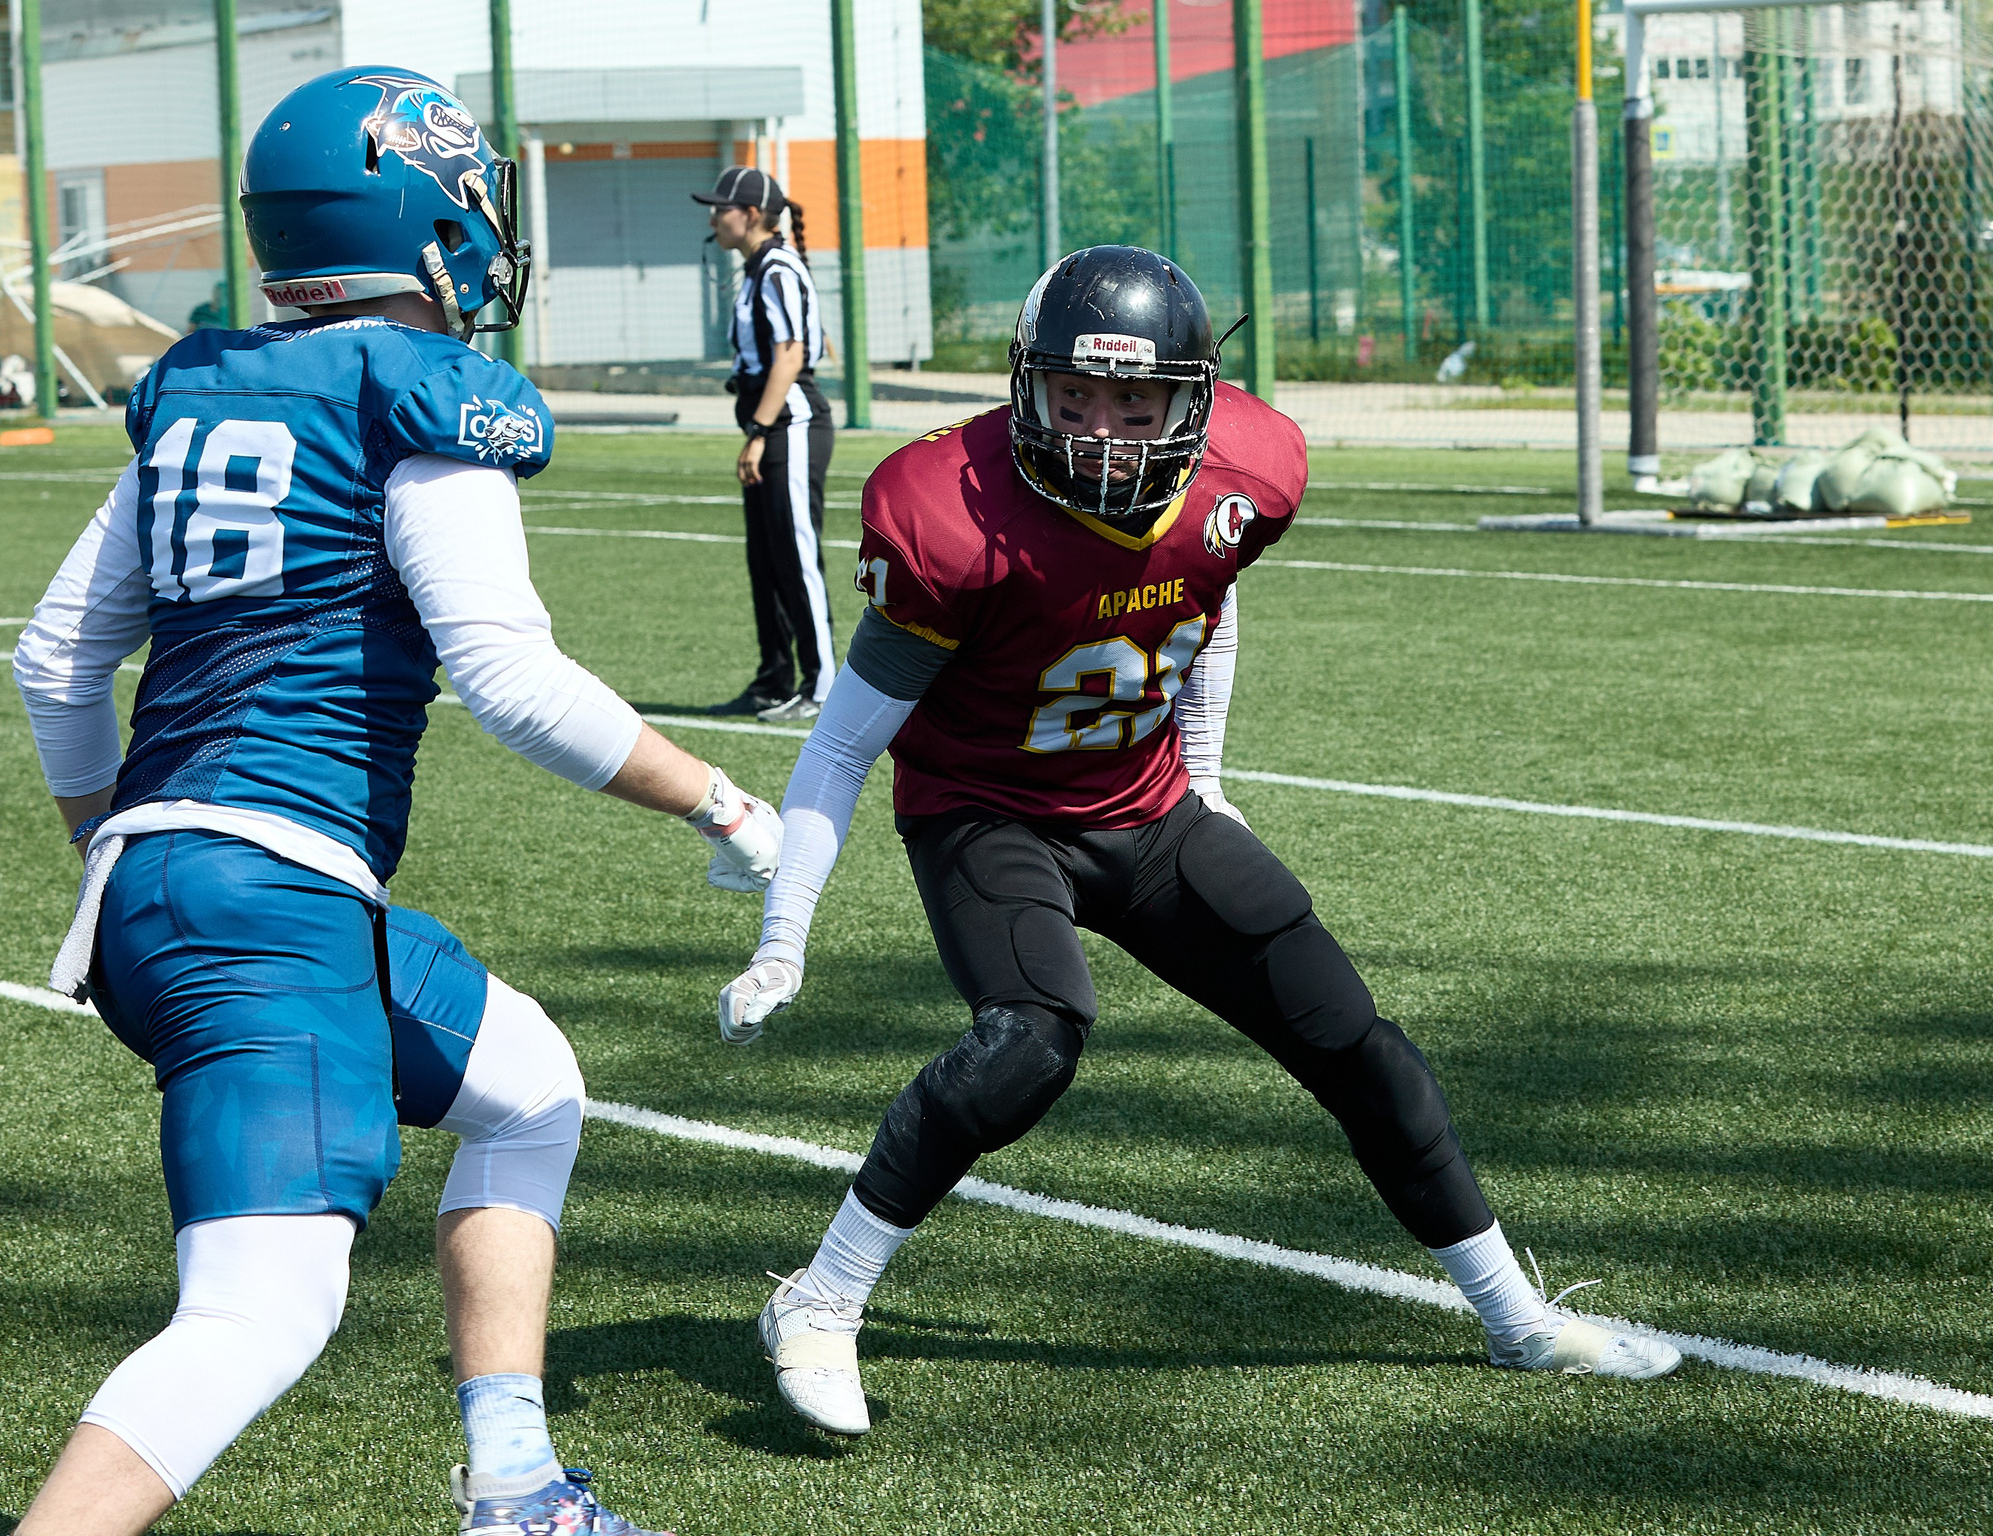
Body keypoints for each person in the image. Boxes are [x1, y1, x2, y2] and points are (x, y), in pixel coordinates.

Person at [0, 67, 783, 1536]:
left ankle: (518, 1486)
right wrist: (723, 801)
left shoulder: (203, 386)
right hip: (269, 892)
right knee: (264, 1306)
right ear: (430, 214)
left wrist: (116, 847)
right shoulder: (416, 391)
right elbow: (510, 678)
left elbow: (53, 660)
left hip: (183, 879)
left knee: (529, 1087)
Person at [714, 246, 1682, 1440]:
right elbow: (842, 747)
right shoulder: (950, 513)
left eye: (1135, 407)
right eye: (1074, 399)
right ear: (1025, 383)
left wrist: (1206, 778)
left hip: (1146, 804)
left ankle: (1515, 1318)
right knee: (1030, 1042)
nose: (1102, 435)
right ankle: (819, 1299)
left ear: (1191, 401)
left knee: (1354, 1041)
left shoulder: (1244, 469)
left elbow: (1203, 593)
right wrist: (784, 936)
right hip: (987, 810)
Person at [695, 164, 836, 724]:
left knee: (797, 556)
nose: (713, 218)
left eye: (720, 208)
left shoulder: (777, 267)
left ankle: (822, 685)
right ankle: (773, 680)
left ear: (751, 214)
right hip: (772, 425)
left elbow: (791, 355)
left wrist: (758, 432)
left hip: (791, 426)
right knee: (767, 559)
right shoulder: (761, 268)